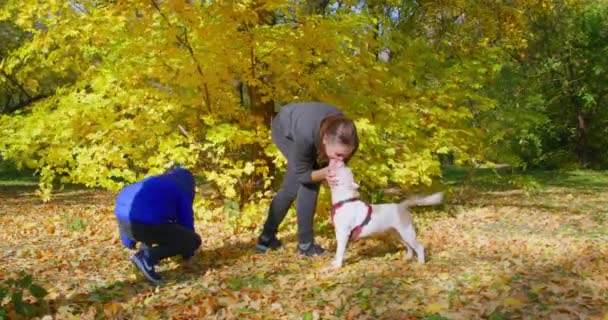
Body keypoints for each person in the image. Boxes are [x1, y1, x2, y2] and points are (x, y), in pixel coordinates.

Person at [256, 102, 359, 256]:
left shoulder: (347, 138)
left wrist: (331, 175)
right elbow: (302, 175)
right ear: (324, 140)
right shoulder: (305, 136)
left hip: (311, 128)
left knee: (314, 178)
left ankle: (270, 240)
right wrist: (324, 173)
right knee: (295, 187)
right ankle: (299, 245)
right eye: (338, 155)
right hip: (285, 129)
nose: (341, 160)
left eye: (346, 155)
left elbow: (337, 166)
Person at [114, 166, 202, 283]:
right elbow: (186, 223)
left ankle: (143, 253)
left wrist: (128, 242)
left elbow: (127, 210)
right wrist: (188, 250)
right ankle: (147, 257)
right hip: (145, 223)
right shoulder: (180, 189)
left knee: (154, 224)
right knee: (193, 240)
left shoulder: (152, 182)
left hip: (124, 220)